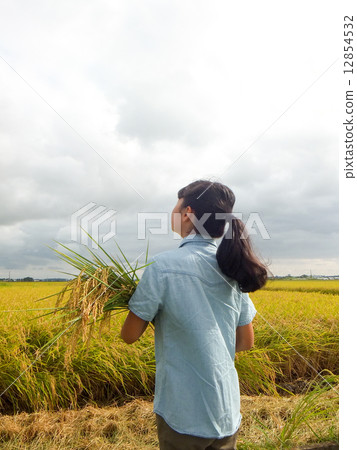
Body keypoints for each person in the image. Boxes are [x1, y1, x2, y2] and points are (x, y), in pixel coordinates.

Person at [121, 180, 268, 450]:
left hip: (182, 413)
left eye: (175, 207)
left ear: (187, 212)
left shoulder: (163, 267)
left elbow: (129, 335)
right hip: (226, 410)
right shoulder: (232, 268)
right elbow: (246, 342)